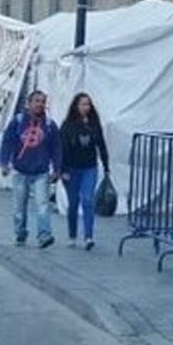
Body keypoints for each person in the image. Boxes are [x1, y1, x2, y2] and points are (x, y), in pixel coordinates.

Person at [0, 90, 61, 248]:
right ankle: (20, 233)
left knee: (42, 205)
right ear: (29, 103)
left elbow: (56, 148)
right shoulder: (18, 121)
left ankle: (44, 235)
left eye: (43, 101)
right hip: (21, 171)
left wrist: (57, 168)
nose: (40, 104)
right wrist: (4, 162)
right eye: (37, 101)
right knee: (19, 207)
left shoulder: (50, 125)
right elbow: (7, 142)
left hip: (41, 172)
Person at [58, 91, 110, 250]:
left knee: (87, 199)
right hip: (71, 169)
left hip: (89, 167)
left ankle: (88, 236)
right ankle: (72, 235)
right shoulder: (67, 125)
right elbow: (61, 148)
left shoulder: (94, 123)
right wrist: (62, 169)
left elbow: (101, 144)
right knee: (73, 202)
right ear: (76, 106)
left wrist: (106, 166)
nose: (86, 107)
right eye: (83, 104)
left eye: (88, 104)